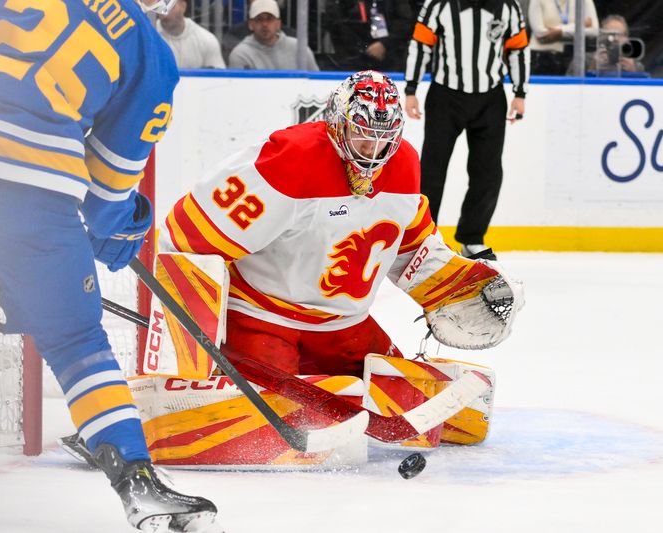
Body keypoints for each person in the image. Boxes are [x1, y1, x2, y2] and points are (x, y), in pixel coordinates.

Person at [0, 1, 217, 531]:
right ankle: (138, 485)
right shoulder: (151, 55)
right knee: (76, 341)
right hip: (28, 194)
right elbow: (106, 196)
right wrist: (125, 226)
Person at [158, 70, 523, 378]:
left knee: (415, 407)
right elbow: (189, 237)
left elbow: (411, 250)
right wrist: (183, 344)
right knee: (284, 411)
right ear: (337, 121)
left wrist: (460, 286)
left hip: (343, 327)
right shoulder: (291, 161)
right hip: (262, 317)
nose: (372, 149)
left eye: (384, 138)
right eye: (363, 133)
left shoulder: (406, 166)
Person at [404, 0, 530, 259]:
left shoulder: (508, 5)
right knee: (432, 169)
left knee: (489, 171)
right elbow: (421, 43)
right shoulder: (439, 4)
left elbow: (518, 47)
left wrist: (520, 92)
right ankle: (423, 237)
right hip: (445, 97)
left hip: (490, 98)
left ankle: (472, 237)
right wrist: (411, 88)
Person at [323, 0, 415, 72]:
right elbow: (336, 24)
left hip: (390, 59)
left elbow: (405, 21)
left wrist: (384, 44)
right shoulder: (340, 4)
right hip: (351, 60)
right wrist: (362, 48)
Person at [228, 0, 320, 71]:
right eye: (259, 19)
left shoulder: (300, 49)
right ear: (250, 24)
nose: (265, 24)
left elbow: (316, 84)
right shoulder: (240, 54)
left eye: (269, 19)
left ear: (278, 24)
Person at [529, 0, 599, 74]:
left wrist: (561, 32)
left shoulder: (584, 1)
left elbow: (594, 31)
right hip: (542, 59)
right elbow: (540, 34)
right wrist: (579, 25)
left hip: (573, 58)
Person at [156, 0, 226, 68]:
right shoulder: (147, 39)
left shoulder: (207, 40)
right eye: (160, 7)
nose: (164, 14)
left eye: (171, 7)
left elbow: (220, 78)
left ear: (183, 6)